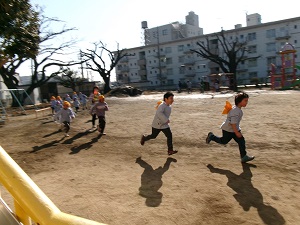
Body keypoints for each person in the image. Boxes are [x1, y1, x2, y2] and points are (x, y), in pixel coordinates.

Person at [205, 92, 255, 163]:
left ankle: (244, 157)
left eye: (247, 101)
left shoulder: (237, 109)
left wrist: (236, 131)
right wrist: (237, 132)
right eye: (245, 101)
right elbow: (233, 123)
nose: (247, 102)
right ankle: (211, 136)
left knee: (241, 141)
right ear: (239, 101)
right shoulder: (236, 111)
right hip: (228, 130)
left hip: (233, 129)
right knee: (223, 141)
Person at [140, 92, 178, 156]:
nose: (172, 100)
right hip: (157, 124)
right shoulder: (162, 105)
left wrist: (165, 121)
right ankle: (144, 138)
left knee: (169, 136)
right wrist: (166, 119)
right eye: (171, 98)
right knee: (153, 136)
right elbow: (159, 113)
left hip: (164, 125)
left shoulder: (168, 106)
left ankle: (170, 150)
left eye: (172, 98)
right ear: (166, 99)